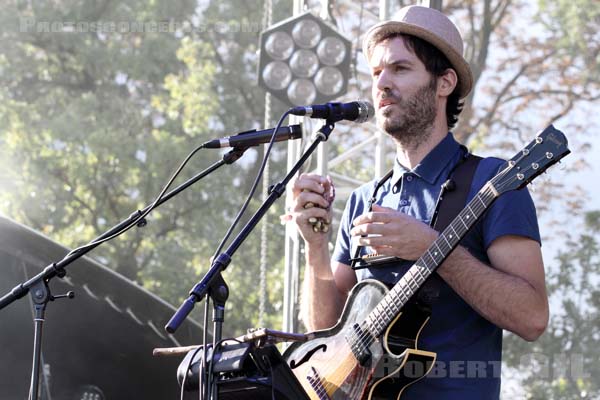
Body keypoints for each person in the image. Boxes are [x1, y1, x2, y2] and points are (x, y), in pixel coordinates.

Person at [288, 5, 548, 399]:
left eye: (400, 69)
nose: (381, 84)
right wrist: (315, 247)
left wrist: (432, 249)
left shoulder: (492, 181)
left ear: (444, 82)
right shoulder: (363, 200)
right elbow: (326, 330)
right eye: (377, 73)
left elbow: (532, 317)